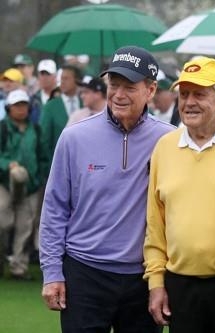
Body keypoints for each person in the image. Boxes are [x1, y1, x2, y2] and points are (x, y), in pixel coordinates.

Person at [39, 46, 175, 333]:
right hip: (84, 273)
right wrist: (52, 273)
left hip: (143, 277)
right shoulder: (74, 137)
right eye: (114, 85)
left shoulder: (169, 140)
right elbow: (55, 208)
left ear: (150, 90)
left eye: (129, 87)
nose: (118, 94)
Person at [144, 56, 215, 333]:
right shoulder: (164, 147)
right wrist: (156, 284)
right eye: (184, 94)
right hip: (180, 286)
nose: (189, 102)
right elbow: (156, 226)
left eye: (200, 94)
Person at [0, 89, 44, 279]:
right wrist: (6, 164)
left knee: (25, 227)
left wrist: (39, 177)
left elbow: (43, 156)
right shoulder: (2, 128)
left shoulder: (35, 128)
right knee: (3, 222)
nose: (21, 109)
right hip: (5, 182)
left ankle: (19, 267)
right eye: (17, 105)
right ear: (9, 108)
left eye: (24, 105)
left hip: (31, 185)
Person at [39, 64, 82, 178]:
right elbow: (44, 139)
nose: (62, 82)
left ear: (77, 80)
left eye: (66, 78)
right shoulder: (50, 106)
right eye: (61, 78)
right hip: (58, 168)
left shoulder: (85, 103)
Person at [30, 59, 58, 124]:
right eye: (42, 74)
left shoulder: (62, 97)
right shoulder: (33, 100)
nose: (44, 77)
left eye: (48, 74)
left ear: (55, 76)